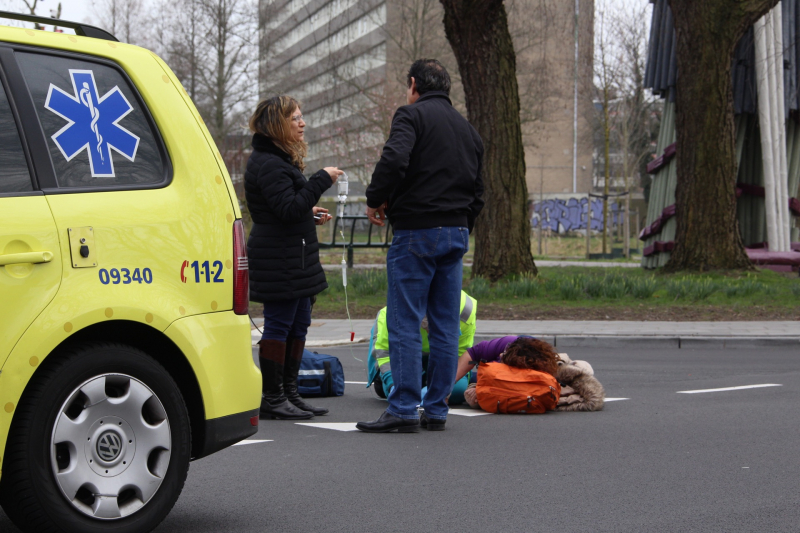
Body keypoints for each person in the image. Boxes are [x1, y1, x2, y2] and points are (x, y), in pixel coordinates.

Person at [357, 59, 484, 433]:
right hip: (455, 232)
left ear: (414, 84)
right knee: (446, 326)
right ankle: (437, 411)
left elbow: (394, 158)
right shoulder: (468, 130)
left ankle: (403, 408)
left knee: (405, 322)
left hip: (416, 231)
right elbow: (478, 190)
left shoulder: (410, 116)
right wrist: (463, 225)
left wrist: (375, 198)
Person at [245, 95, 343, 420]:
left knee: (299, 322)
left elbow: (289, 207)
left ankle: (290, 393)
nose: (302, 123)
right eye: (295, 118)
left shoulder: (279, 160)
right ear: (277, 124)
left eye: (301, 117)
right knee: (279, 325)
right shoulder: (269, 163)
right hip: (279, 257)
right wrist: (320, 180)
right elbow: (286, 209)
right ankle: (273, 398)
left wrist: (309, 213)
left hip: (293, 254)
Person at [366, 291, 477, 404]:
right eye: (428, 327)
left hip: (441, 357)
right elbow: (385, 352)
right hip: (405, 355)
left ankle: (425, 381)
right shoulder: (396, 312)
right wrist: (392, 384)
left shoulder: (465, 312)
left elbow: (460, 356)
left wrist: (444, 388)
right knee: (399, 394)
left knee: (457, 392)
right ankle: (383, 380)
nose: (431, 332)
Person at [456, 336, 560, 409]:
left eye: (505, 356)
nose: (501, 355)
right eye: (505, 352)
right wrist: (447, 385)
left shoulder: (538, 376)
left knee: (460, 393)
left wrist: (480, 391)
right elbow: (473, 353)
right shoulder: (509, 342)